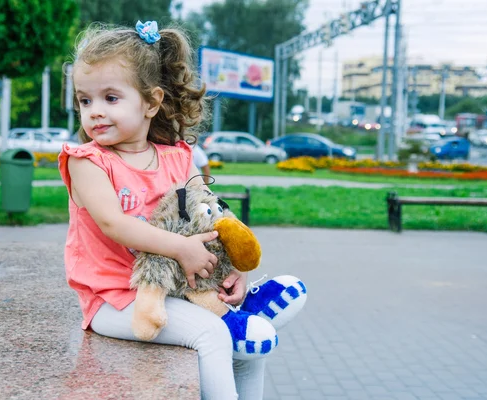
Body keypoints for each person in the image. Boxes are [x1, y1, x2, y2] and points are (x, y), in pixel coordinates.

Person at [58, 21, 306, 400]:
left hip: (177, 291)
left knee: (248, 345)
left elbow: (210, 211)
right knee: (212, 333)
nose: (94, 112)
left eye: (110, 98)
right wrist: (180, 248)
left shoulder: (177, 158)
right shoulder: (88, 161)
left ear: (152, 102)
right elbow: (113, 223)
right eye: (85, 100)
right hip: (114, 299)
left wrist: (232, 266)